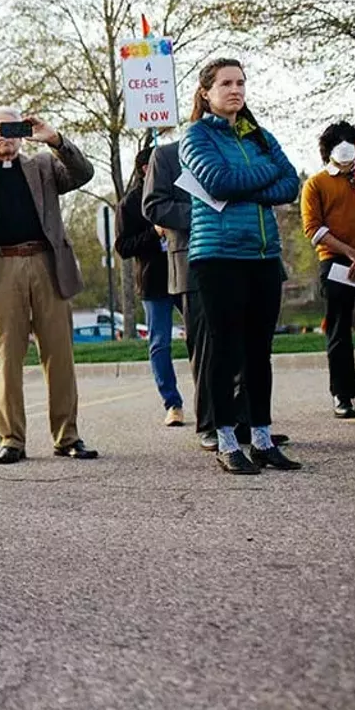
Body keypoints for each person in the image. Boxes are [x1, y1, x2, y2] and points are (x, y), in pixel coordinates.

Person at [0, 108, 99, 465]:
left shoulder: (42, 165)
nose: (4, 135)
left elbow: (83, 174)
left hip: (46, 263)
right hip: (0, 268)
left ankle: (67, 436)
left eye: (12, 127)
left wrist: (54, 139)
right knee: (8, 357)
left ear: (23, 131)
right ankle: (11, 439)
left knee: (59, 355)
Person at [180, 58, 301, 474]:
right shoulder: (195, 136)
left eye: (241, 83)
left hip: (264, 256)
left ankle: (263, 438)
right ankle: (227, 440)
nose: (236, 90)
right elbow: (218, 182)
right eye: (226, 83)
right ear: (206, 93)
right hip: (219, 256)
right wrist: (265, 179)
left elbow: (292, 183)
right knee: (226, 350)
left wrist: (254, 178)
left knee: (258, 353)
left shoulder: (258, 136)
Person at [143, 130, 269, 452]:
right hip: (193, 262)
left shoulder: (236, 153)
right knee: (209, 347)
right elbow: (154, 205)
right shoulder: (167, 155)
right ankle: (211, 424)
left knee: (244, 345)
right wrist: (202, 213)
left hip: (242, 256)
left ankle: (243, 422)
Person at [300, 121, 355, 419]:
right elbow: (313, 228)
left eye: (351, 141)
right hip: (335, 262)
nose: (345, 147)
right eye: (338, 142)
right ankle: (343, 396)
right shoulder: (316, 184)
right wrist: (351, 253)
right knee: (339, 332)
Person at [116, 145, 185, 428]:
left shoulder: (181, 191)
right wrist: (154, 233)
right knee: (160, 343)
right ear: (147, 168)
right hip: (154, 280)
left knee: (204, 337)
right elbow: (123, 247)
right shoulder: (130, 204)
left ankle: (213, 399)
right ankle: (172, 403)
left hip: (186, 274)